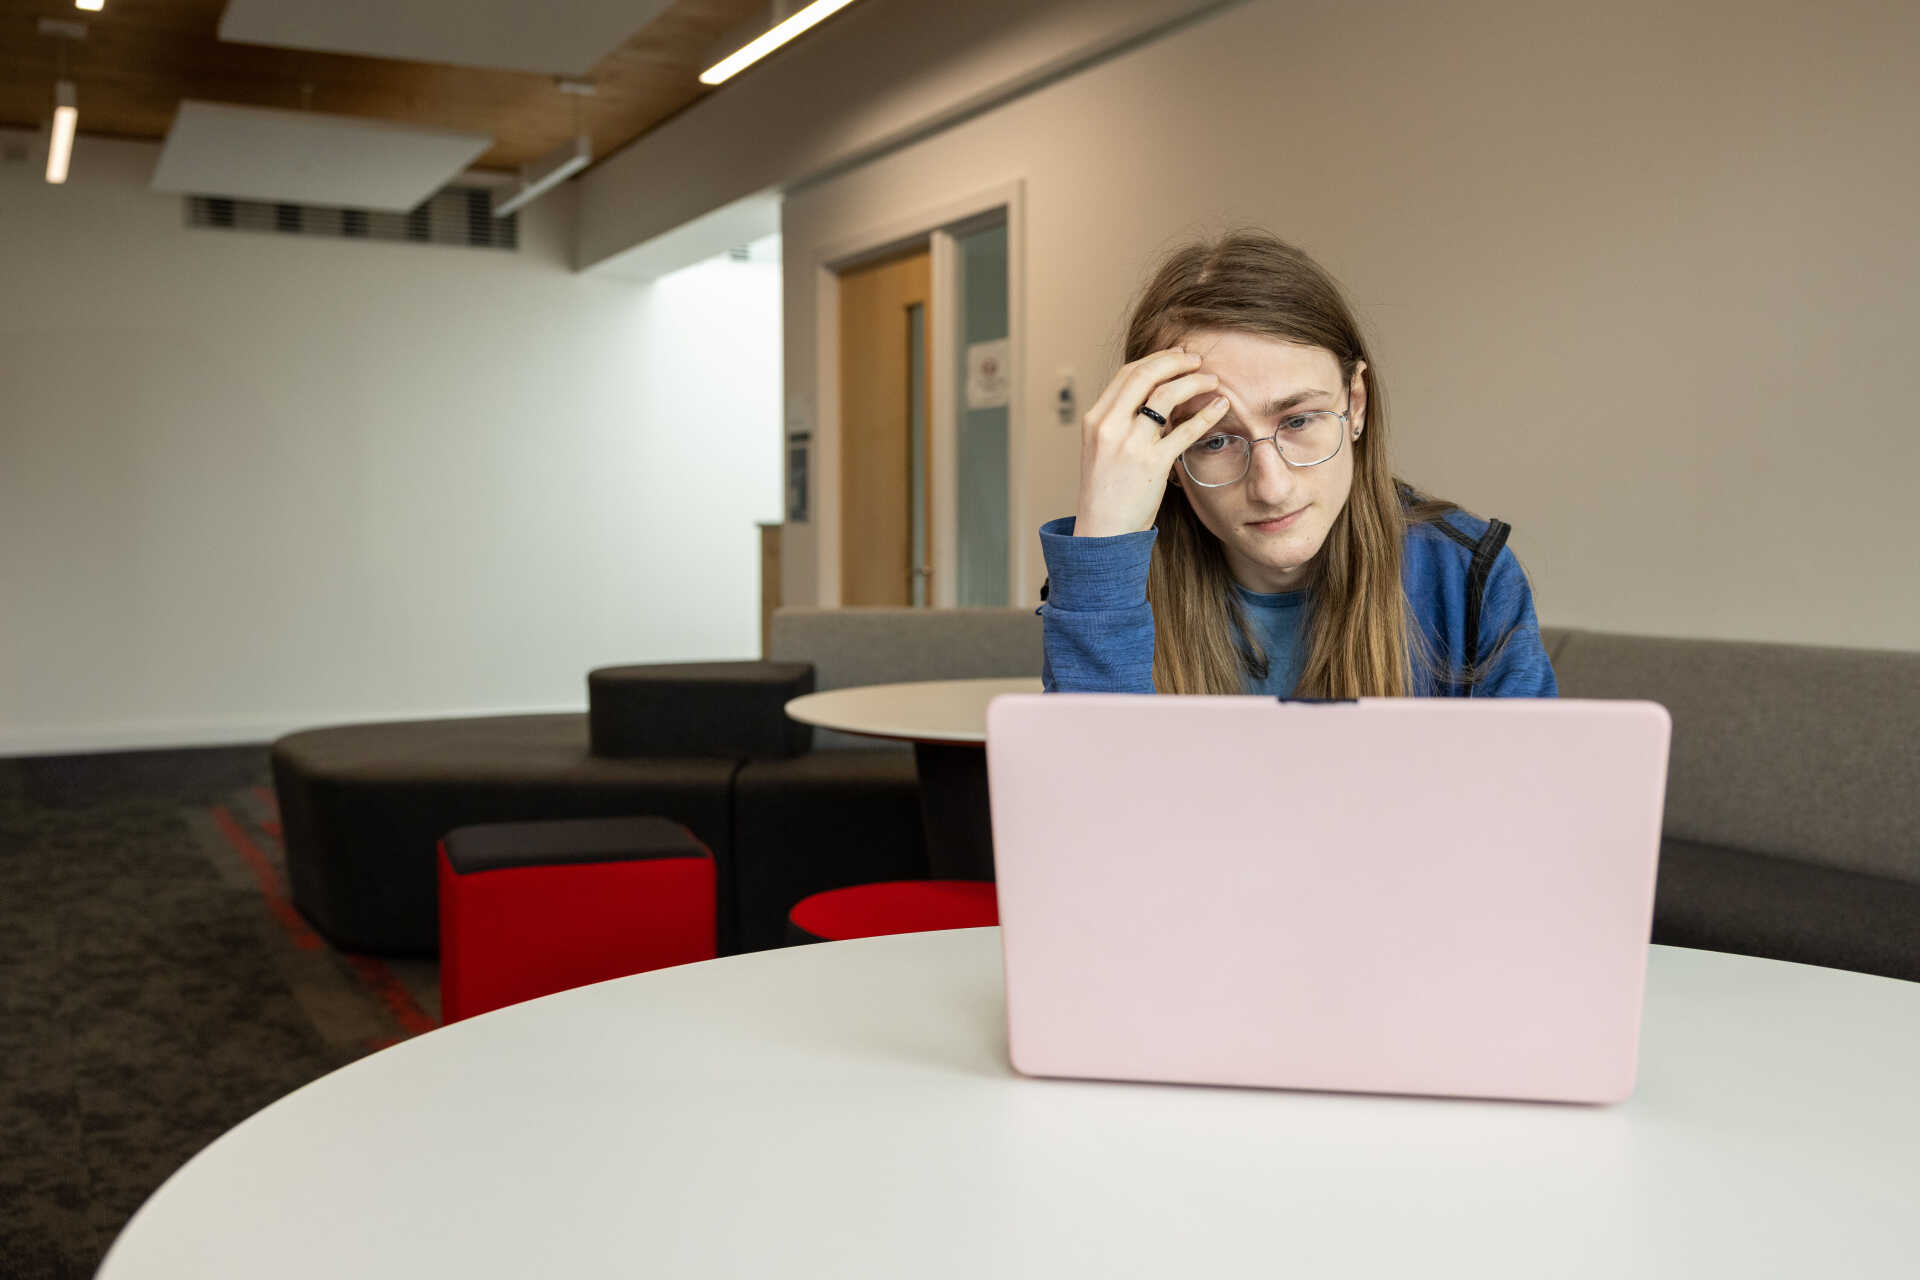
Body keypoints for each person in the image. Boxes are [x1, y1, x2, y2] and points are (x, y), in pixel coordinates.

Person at [1039, 230, 1556, 698]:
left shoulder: (1465, 576)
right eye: (1215, 441)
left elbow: (1534, 796)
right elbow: (1087, 795)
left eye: (1300, 421)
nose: (1271, 486)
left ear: (1355, 403)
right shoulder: (1118, 586)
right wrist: (1100, 558)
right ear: (1166, 451)